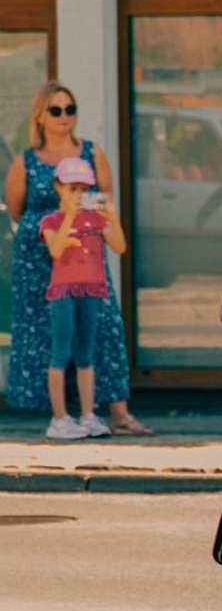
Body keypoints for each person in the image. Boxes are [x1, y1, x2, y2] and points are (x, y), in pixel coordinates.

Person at [3, 80, 154, 434]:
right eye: (56, 109)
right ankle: (60, 415)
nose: (64, 116)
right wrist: (52, 225)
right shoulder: (26, 160)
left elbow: (106, 201)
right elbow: (16, 209)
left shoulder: (90, 152)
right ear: (40, 116)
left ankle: (116, 412)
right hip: (39, 256)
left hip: (86, 254)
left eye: (70, 109)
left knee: (103, 326)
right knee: (48, 332)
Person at [39, 157, 126, 439]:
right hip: (63, 291)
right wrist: (69, 215)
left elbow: (119, 247)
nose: (78, 194)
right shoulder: (51, 221)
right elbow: (55, 249)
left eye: (84, 189)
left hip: (91, 289)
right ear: (58, 187)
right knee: (61, 352)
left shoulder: (96, 219)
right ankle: (60, 418)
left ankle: (88, 415)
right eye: (72, 188)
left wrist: (112, 218)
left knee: (86, 352)